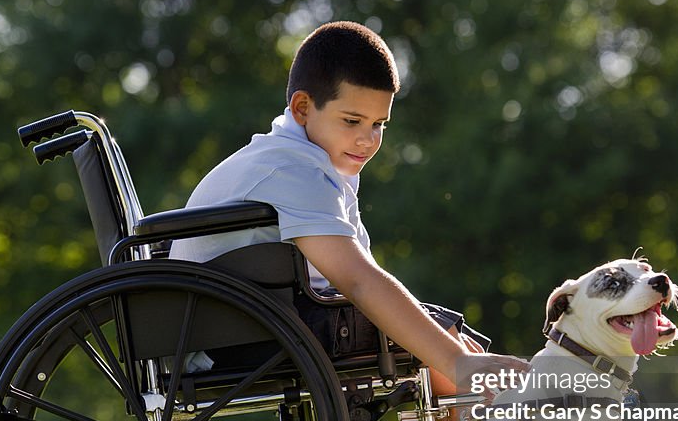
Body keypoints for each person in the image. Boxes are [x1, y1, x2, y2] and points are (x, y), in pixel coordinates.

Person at [170, 20, 527, 396]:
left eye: (378, 124)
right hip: (230, 337)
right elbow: (357, 280)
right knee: (446, 348)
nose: (367, 139)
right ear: (303, 107)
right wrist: (457, 362)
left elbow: (361, 275)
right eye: (352, 121)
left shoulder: (311, 161)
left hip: (254, 321)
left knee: (442, 336)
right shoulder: (293, 169)